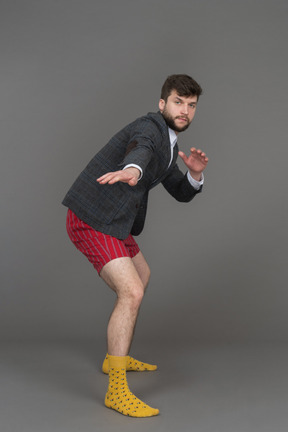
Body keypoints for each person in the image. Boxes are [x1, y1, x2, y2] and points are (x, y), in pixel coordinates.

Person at [62, 74, 208, 417]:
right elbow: (140, 149)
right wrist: (132, 169)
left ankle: (117, 356)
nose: (184, 110)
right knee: (132, 293)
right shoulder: (150, 128)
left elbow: (182, 193)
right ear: (162, 104)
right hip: (91, 216)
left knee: (141, 276)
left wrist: (196, 175)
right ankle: (116, 391)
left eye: (191, 105)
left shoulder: (170, 147)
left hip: (114, 220)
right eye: (178, 102)